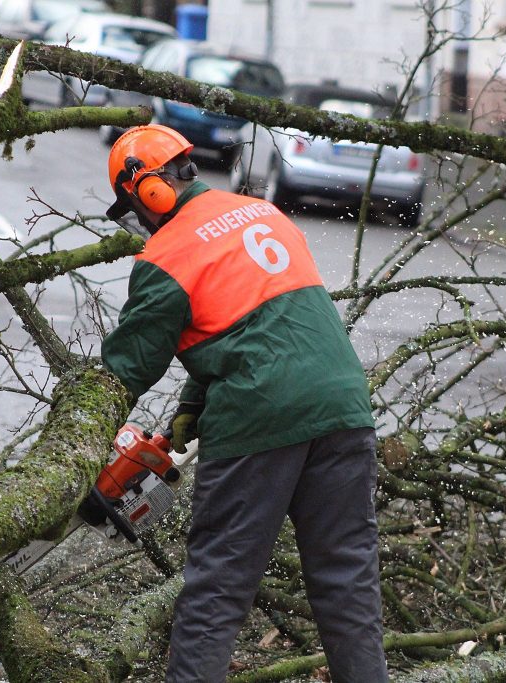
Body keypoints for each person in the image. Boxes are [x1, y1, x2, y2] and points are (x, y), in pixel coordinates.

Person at [100, 124, 388, 683]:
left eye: (135, 207)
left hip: (261, 418)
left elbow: (126, 367)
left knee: (218, 588)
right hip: (343, 406)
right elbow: (261, 321)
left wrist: (80, 442)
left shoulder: (166, 256)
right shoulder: (263, 214)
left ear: (149, 191)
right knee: (347, 580)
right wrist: (192, 402)